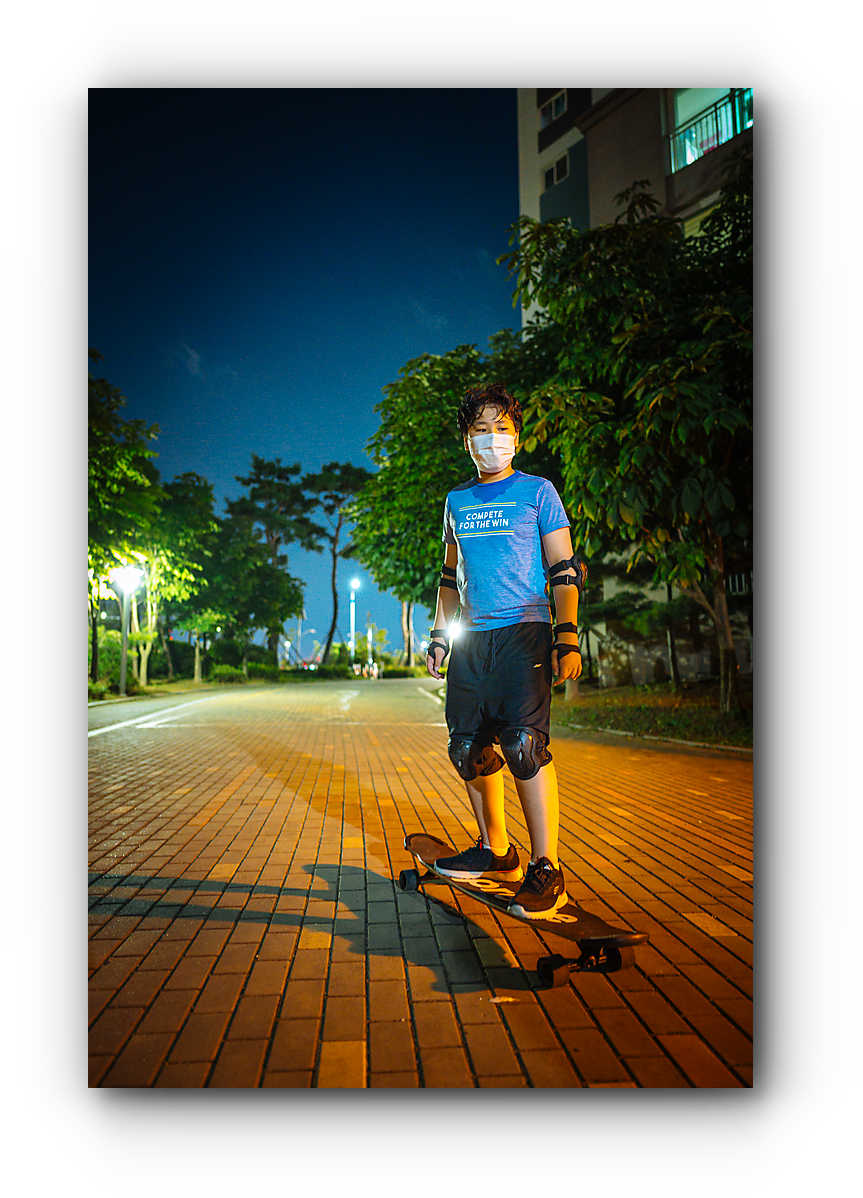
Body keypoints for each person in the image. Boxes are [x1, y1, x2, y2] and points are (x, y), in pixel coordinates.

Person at [426, 383, 584, 918]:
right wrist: (440, 636)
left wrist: (567, 635)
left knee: (522, 746)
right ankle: (496, 852)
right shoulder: (456, 501)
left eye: (502, 428)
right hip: (473, 639)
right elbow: (449, 577)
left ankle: (546, 867)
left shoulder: (539, 492)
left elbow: (564, 569)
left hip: (525, 633)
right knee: (466, 749)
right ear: (467, 441)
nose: (492, 438)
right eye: (480, 429)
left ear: (516, 436)